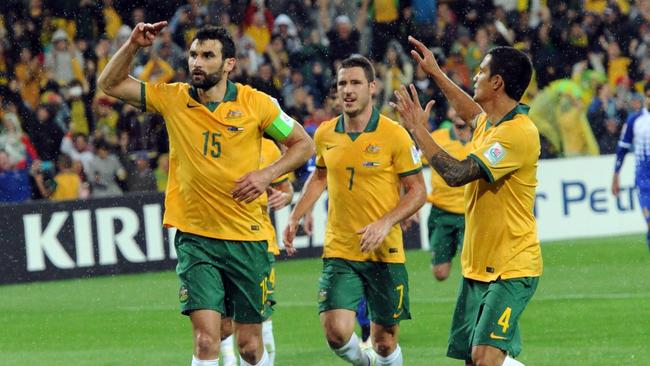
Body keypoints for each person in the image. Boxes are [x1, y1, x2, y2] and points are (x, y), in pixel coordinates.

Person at [97, 23, 314, 366]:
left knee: (250, 347)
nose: (197, 62)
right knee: (206, 340)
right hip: (197, 239)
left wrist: (266, 175)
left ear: (229, 64)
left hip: (247, 239)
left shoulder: (256, 104)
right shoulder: (173, 98)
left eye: (208, 56)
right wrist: (132, 46)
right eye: (194, 54)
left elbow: (303, 144)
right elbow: (108, 84)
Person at [391, 37, 542, 366]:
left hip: (512, 266)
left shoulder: (517, 134)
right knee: (475, 362)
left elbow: (457, 174)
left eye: (481, 71)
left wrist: (419, 129)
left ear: (497, 82)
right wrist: (435, 72)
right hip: (478, 266)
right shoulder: (491, 122)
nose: (475, 76)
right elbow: (468, 110)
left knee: (485, 358)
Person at [284, 55, 427, 366]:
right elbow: (320, 175)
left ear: (372, 88)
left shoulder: (395, 135)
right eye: (342, 84)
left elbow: (418, 191)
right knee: (336, 333)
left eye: (355, 83)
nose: (347, 90)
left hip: (384, 251)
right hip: (341, 248)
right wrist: (297, 214)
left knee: (385, 341)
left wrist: (384, 222)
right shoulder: (324, 133)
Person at [220, 137, 294, 366]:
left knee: (259, 323)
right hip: (218, 242)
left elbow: (285, 188)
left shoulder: (268, 148)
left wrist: (286, 196)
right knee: (222, 322)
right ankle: (230, 360)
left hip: (258, 244)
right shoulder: (215, 140)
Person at [427, 108, 473, 282]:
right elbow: (413, 163)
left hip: (471, 211)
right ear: (450, 113)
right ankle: (444, 252)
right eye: (454, 107)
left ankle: (474, 303)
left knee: (472, 266)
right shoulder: (437, 137)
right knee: (440, 274)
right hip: (442, 211)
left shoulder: (482, 138)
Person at [612, 82, 650, 253]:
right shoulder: (635, 120)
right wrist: (616, 174)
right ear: (645, 97)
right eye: (649, 96)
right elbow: (622, 148)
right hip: (644, 181)